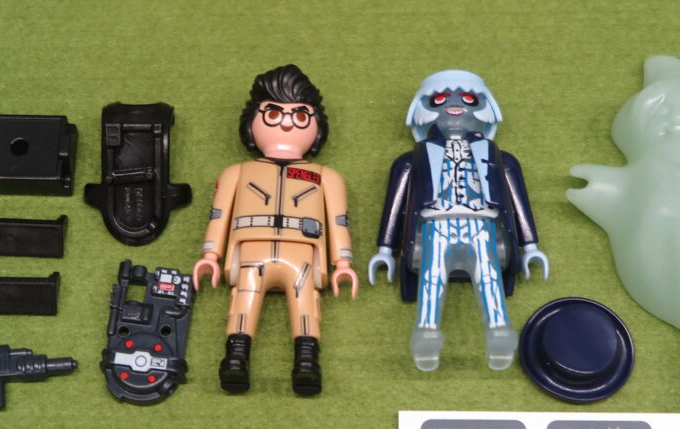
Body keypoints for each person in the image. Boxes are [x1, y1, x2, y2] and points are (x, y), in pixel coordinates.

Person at [369, 70, 549, 371]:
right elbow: (395, 202)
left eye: (468, 99)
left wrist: (530, 245)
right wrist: (385, 249)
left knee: (488, 275)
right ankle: (426, 333)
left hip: (483, 223)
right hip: (434, 224)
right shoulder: (412, 159)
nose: (455, 106)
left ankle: (498, 330)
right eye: (440, 99)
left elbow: (518, 200)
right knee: (432, 275)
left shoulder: (499, 158)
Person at [194, 64, 357, 395]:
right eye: (272, 113)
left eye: (300, 115)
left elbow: (339, 220)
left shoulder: (326, 177)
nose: (285, 122)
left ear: (317, 125)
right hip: (250, 250)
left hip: (303, 253)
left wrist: (343, 261)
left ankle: (307, 363)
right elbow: (219, 215)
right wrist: (210, 254)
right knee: (244, 301)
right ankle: (235, 359)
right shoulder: (236, 173)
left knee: (305, 306)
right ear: (251, 122)